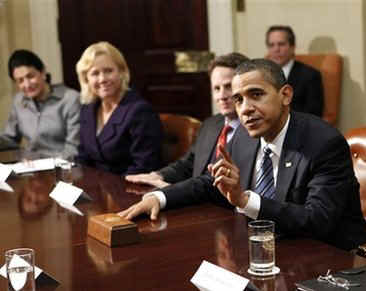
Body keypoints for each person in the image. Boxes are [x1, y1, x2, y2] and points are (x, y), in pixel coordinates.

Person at [119, 58, 366, 251]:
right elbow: (209, 184)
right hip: (267, 249)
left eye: (256, 95)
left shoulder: (324, 143)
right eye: (238, 100)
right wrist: (159, 198)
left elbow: (318, 220)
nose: (245, 109)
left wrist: (244, 200)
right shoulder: (243, 137)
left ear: (286, 95)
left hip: (331, 258)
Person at [125, 52, 249, 188]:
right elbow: (189, 163)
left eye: (228, 87)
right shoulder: (210, 124)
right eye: (216, 88)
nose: (222, 96)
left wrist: (173, 190)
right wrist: (158, 175)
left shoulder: (255, 130)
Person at [75, 41, 163, 175]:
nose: (102, 79)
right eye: (95, 73)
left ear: (122, 72)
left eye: (108, 71)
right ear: (86, 79)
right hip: (95, 189)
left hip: (130, 189)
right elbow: (83, 158)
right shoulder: (88, 110)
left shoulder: (140, 111)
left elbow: (144, 166)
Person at [1, 49, 80, 158]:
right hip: (30, 168)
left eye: (30, 76)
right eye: (20, 80)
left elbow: (73, 149)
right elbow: (9, 139)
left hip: (63, 169)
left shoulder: (70, 99)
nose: (27, 84)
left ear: (43, 73)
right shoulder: (19, 101)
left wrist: (43, 164)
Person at [266, 25, 324, 117]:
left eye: (281, 44)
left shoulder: (311, 75)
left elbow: (314, 114)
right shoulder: (261, 75)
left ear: (292, 47)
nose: (276, 49)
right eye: (271, 45)